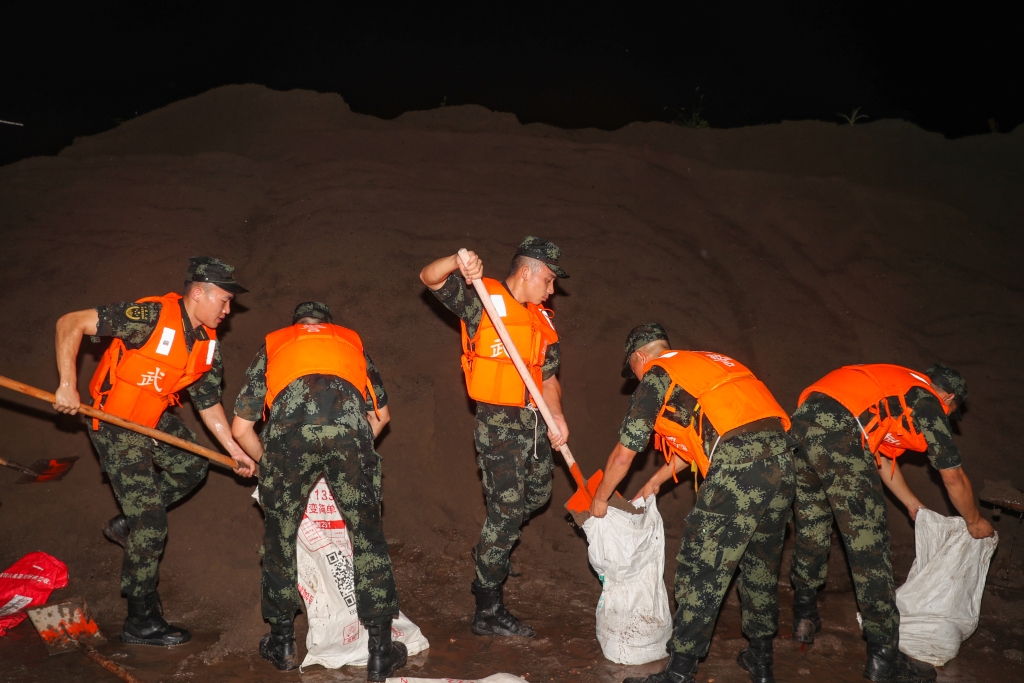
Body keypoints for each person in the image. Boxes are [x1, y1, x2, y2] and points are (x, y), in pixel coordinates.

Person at [53, 256, 257, 647]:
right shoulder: (147, 316)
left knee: (193, 465)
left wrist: (235, 452)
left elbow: (209, 404)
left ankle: (129, 523)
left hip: (151, 419)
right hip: (114, 423)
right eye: (224, 300)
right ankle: (140, 619)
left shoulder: (206, 345)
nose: (228, 310)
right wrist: (67, 384)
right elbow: (70, 322)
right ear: (198, 293)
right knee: (152, 526)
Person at [590, 324, 795, 683]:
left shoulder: (657, 375)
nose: (637, 378)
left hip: (737, 468)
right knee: (760, 563)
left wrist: (600, 499)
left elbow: (624, 454)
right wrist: (655, 481)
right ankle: (761, 661)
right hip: (782, 460)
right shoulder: (707, 365)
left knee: (702, 568)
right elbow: (711, 433)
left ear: (640, 357)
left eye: (633, 371)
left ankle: (679, 672)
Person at [230, 302, 405, 680]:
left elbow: (241, 429)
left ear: (296, 326)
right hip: (349, 437)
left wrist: (270, 464)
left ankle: (282, 643)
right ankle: (380, 652)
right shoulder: (350, 343)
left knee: (280, 539)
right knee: (368, 539)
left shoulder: (276, 345)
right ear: (328, 325)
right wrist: (346, 454)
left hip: (289, 442)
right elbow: (382, 416)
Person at [789, 363, 994, 683]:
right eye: (951, 410)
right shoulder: (926, 400)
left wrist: (911, 502)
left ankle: (804, 614)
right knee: (870, 553)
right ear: (949, 397)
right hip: (843, 435)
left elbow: (881, 456)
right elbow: (953, 475)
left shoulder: (892, 387)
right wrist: (974, 519)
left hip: (801, 428)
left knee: (814, 527)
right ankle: (884, 659)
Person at [418, 237, 570, 638]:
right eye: (549, 280)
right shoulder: (482, 301)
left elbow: (549, 377)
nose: (552, 290)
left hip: (535, 425)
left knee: (537, 498)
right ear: (528, 271)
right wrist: (456, 259)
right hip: (498, 427)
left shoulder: (543, 320)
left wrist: (556, 415)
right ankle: (487, 608)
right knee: (505, 516)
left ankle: (491, 549)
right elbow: (428, 278)